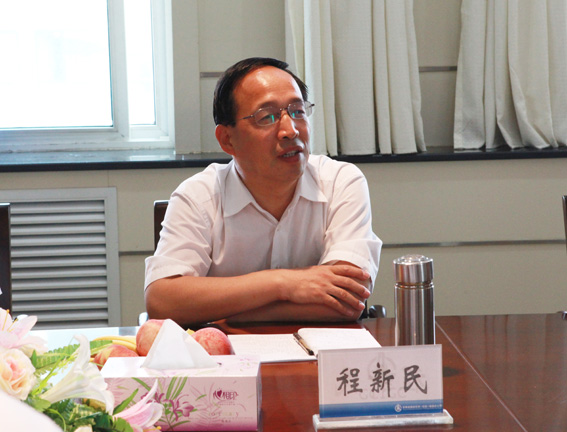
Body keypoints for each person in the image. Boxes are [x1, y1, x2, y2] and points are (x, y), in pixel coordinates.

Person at [144, 57, 382, 327]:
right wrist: (284, 283)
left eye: (298, 111)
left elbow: (349, 297)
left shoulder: (340, 182)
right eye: (266, 117)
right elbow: (162, 301)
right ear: (227, 139)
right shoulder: (199, 197)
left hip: (320, 351)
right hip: (228, 353)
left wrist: (227, 314)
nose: (290, 130)